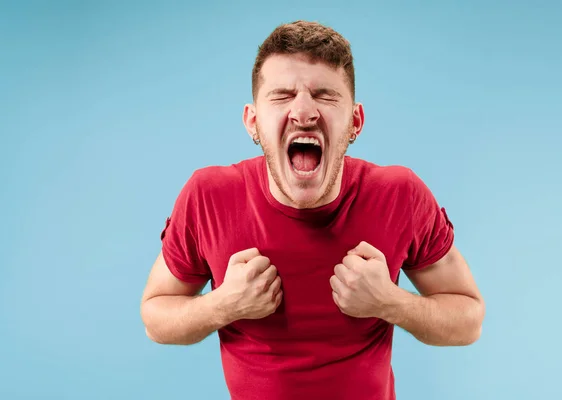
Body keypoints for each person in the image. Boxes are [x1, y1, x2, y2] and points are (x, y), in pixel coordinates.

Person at [140, 20, 485, 400]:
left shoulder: (400, 195)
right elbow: (156, 317)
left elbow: (468, 319)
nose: (304, 111)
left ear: (355, 121)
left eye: (324, 95)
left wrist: (390, 303)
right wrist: (222, 305)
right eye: (283, 95)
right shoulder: (208, 197)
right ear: (253, 122)